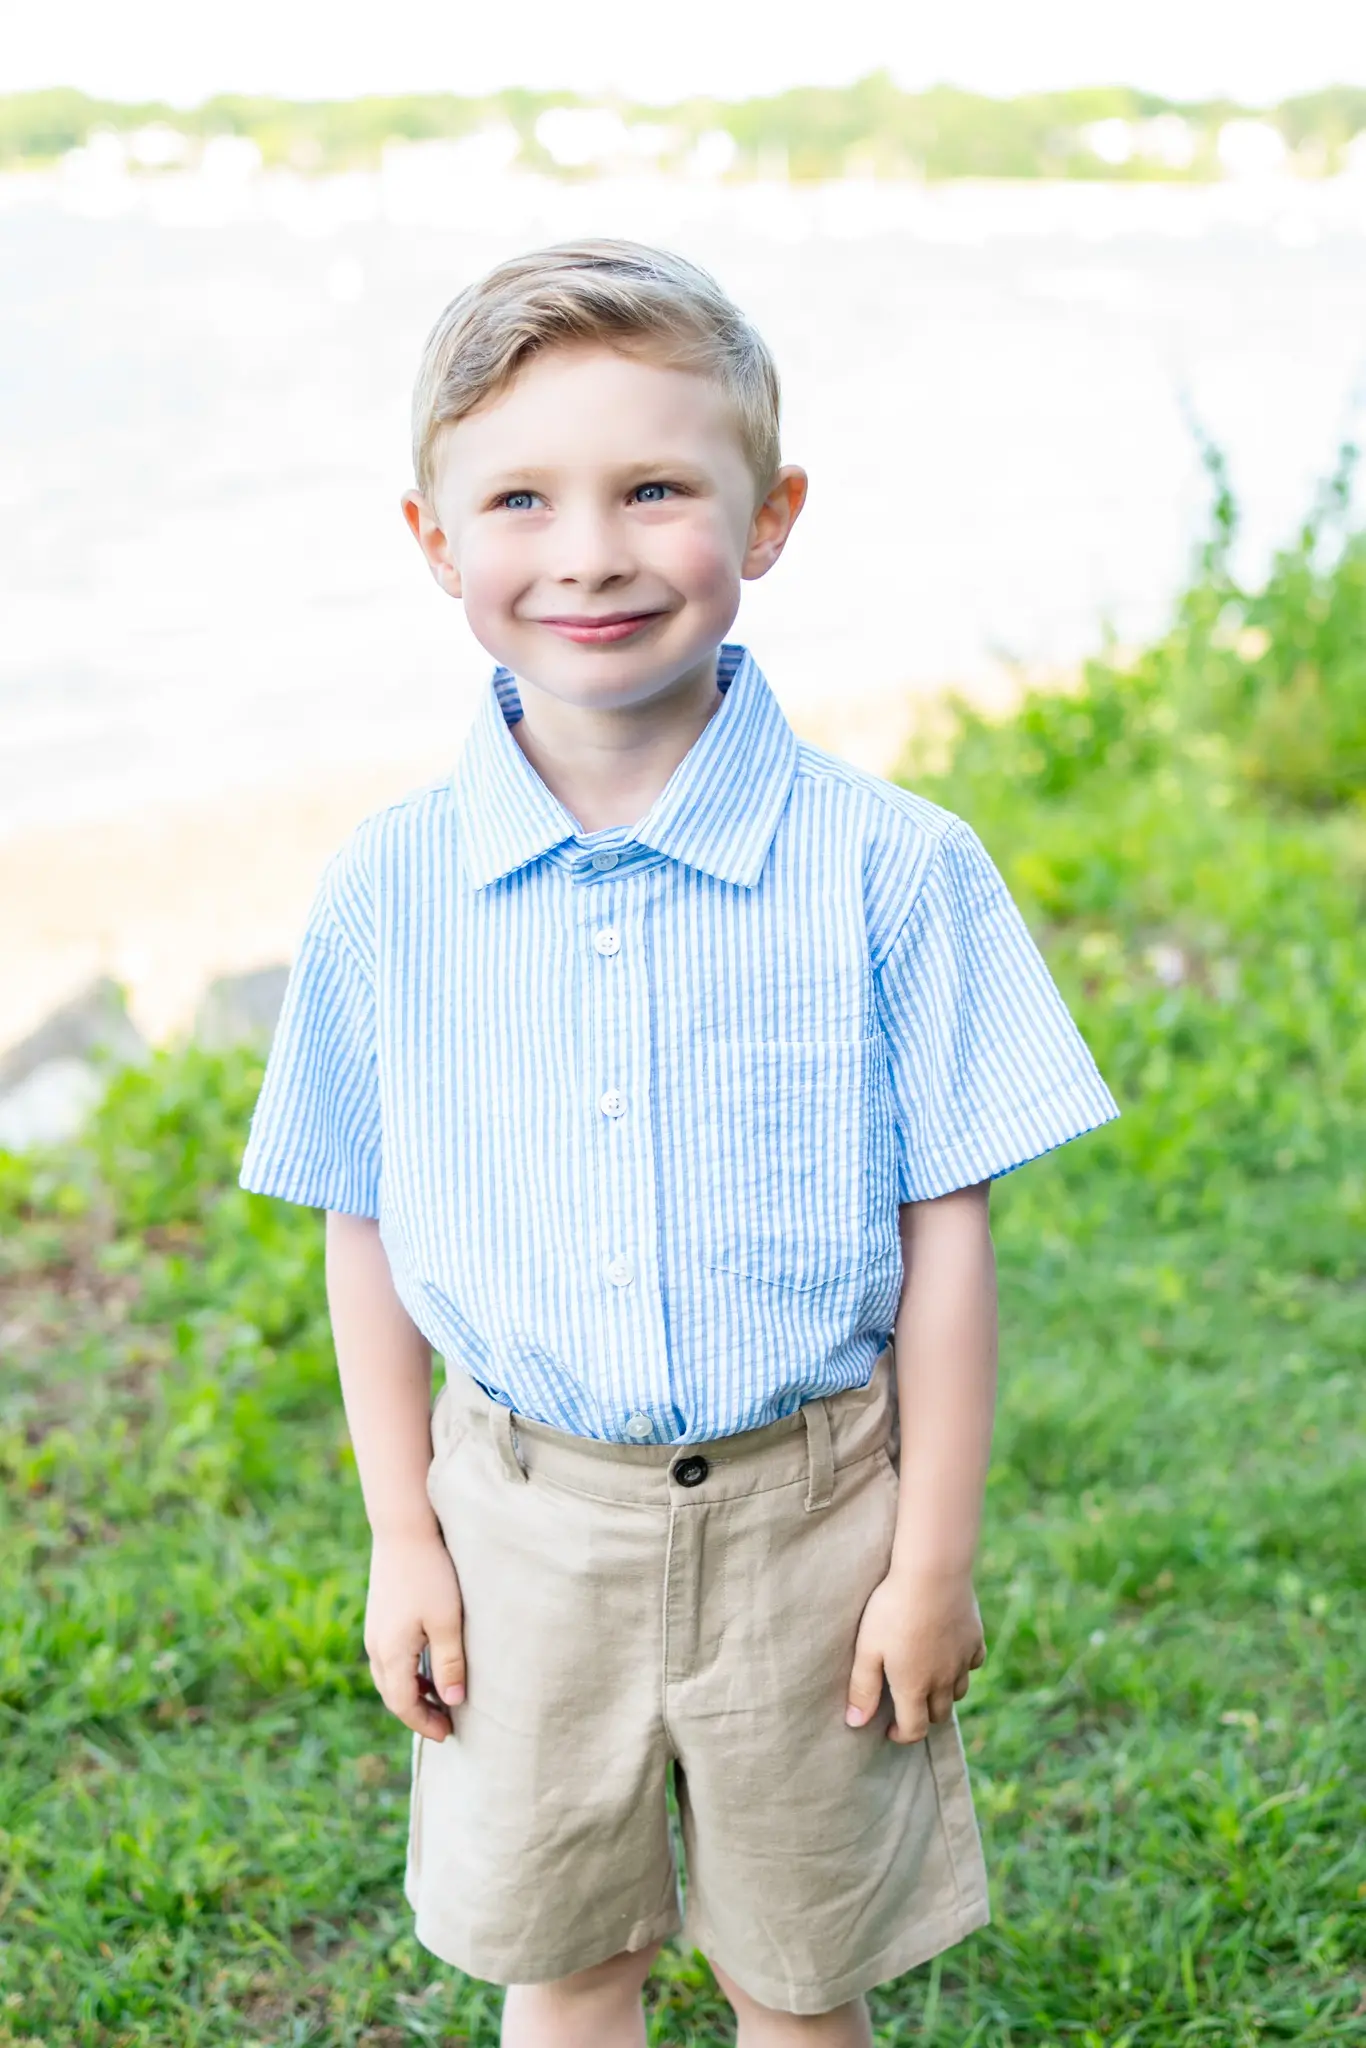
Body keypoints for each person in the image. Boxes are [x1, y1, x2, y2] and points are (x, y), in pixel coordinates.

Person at [239, 238, 1119, 2047]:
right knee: (563, 1963)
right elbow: (366, 1223)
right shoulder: (392, 888)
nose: (587, 553)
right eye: (519, 499)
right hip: (520, 1531)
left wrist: (928, 1558)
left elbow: (944, 1230)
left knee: (801, 1980)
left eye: (653, 488)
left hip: (814, 1520)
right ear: (430, 541)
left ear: (769, 514)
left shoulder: (896, 868)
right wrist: (403, 1534)